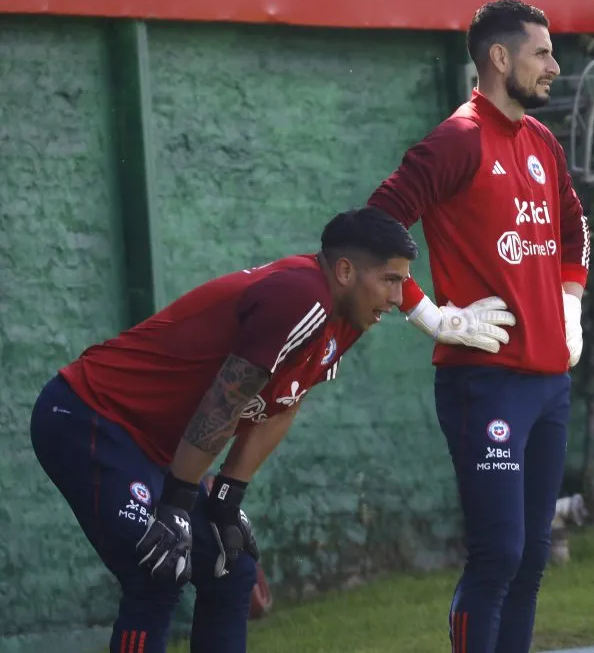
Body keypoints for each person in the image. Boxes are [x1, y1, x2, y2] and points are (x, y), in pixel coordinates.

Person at [30, 207, 418, 653]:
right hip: (90, 416)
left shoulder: (350, 314)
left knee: (231, 567)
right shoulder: (304, 296)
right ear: (345, 271)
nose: (398, 297)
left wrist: (226, 498)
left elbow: (286, 402)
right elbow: (225, 400)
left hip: (157, 446)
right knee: (157, 568)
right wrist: (178, 501)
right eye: (391, 280)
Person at [366, 0, 590, 653]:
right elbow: (373, 227)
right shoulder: (458, 139)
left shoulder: (542, 142)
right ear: (499, 57)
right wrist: (431, 316)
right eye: (541, 53)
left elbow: (575, 229)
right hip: (484, 382)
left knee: (532, 557)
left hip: (549, 384)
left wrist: (570, 307)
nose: (554, 66)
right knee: (498, 554)